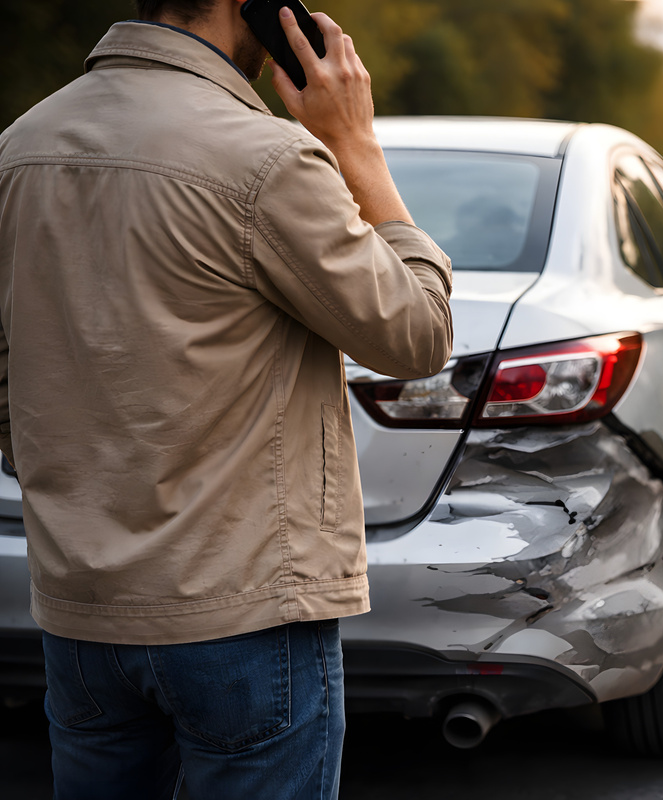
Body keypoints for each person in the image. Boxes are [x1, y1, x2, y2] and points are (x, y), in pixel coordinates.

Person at [0, 0, 453, 797]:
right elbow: (416, 336)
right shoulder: (266, 159)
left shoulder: (18, 147)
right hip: (242, 618)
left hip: (79, 616)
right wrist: (356, 145)